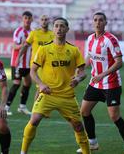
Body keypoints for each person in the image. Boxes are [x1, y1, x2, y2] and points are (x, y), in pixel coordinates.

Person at [20, 17, 90, 154]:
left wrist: (78, 79)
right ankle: (23, 152)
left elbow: (82, 73)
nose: (59, 28)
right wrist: (40, 84)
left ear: (67, 29)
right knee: (34, 120)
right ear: (53, 29)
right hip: (48, 94)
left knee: (78, 126)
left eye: (62, 26)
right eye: (56, 26)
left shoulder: (74, 50)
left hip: (67, 96)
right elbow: (32, 71)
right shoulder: (44, 49)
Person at [76, 12, 124, 154]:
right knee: (84, 111)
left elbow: (119, 62)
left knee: (114, 116)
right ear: (92, 22)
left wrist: (103, 74)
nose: (98, 22)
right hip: (95, 83)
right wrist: (80, 68)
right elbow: (89, 57)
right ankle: (92, 142)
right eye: (95, 20)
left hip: (111, 84)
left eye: (101, 20)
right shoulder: (90, 38)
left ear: (105, 22)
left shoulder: (111, 39)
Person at [16, 14, 54, 99]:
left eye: (46, 19)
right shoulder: (34, 33)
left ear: (49, 21)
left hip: (48, 64)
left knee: (44, 86)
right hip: (36, 65)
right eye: (42, 19)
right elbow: (25, 46)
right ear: (40, 21)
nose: (44, 21)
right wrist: (18, 57)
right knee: (41, 86)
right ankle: (37, 109)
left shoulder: (52, 34)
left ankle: (39, 108)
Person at [5, 11, 33, 115]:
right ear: (22, 19)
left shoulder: (32, 32)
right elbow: (14, 46)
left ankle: (22, 106)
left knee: (28, 83)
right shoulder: (18, 31)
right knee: (16, 84)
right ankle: (6, 107)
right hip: (17, 62)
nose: (27, 20)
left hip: (27, 64)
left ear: (32, 20)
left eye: (29, 18)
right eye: (25, 18)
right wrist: (23, 45)